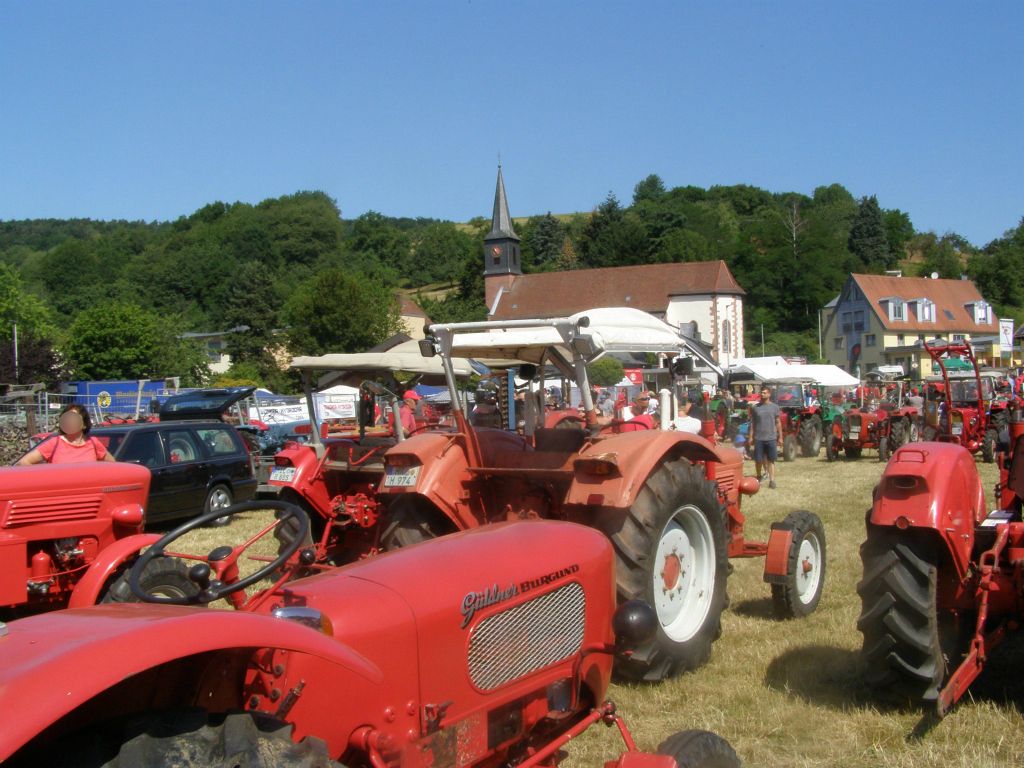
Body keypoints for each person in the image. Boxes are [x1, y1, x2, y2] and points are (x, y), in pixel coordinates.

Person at [18, 404, 116, 465]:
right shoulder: (54, 443)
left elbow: (113, 466)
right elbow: (24, 462)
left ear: (84, 424)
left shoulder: (93, 443)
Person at [749, 387, 782, 489]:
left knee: (771, 460)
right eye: (761, 393)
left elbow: (778, 422)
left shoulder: (775, 407)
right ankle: (758, 477)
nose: (762, 394)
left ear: (769, 394)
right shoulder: (755, 408)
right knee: (758, 460)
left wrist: (780, 437)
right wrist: (750, 436)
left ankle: (772, 481)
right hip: (759, 438)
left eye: (764, 393)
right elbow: (753, 423)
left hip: (771, 437)